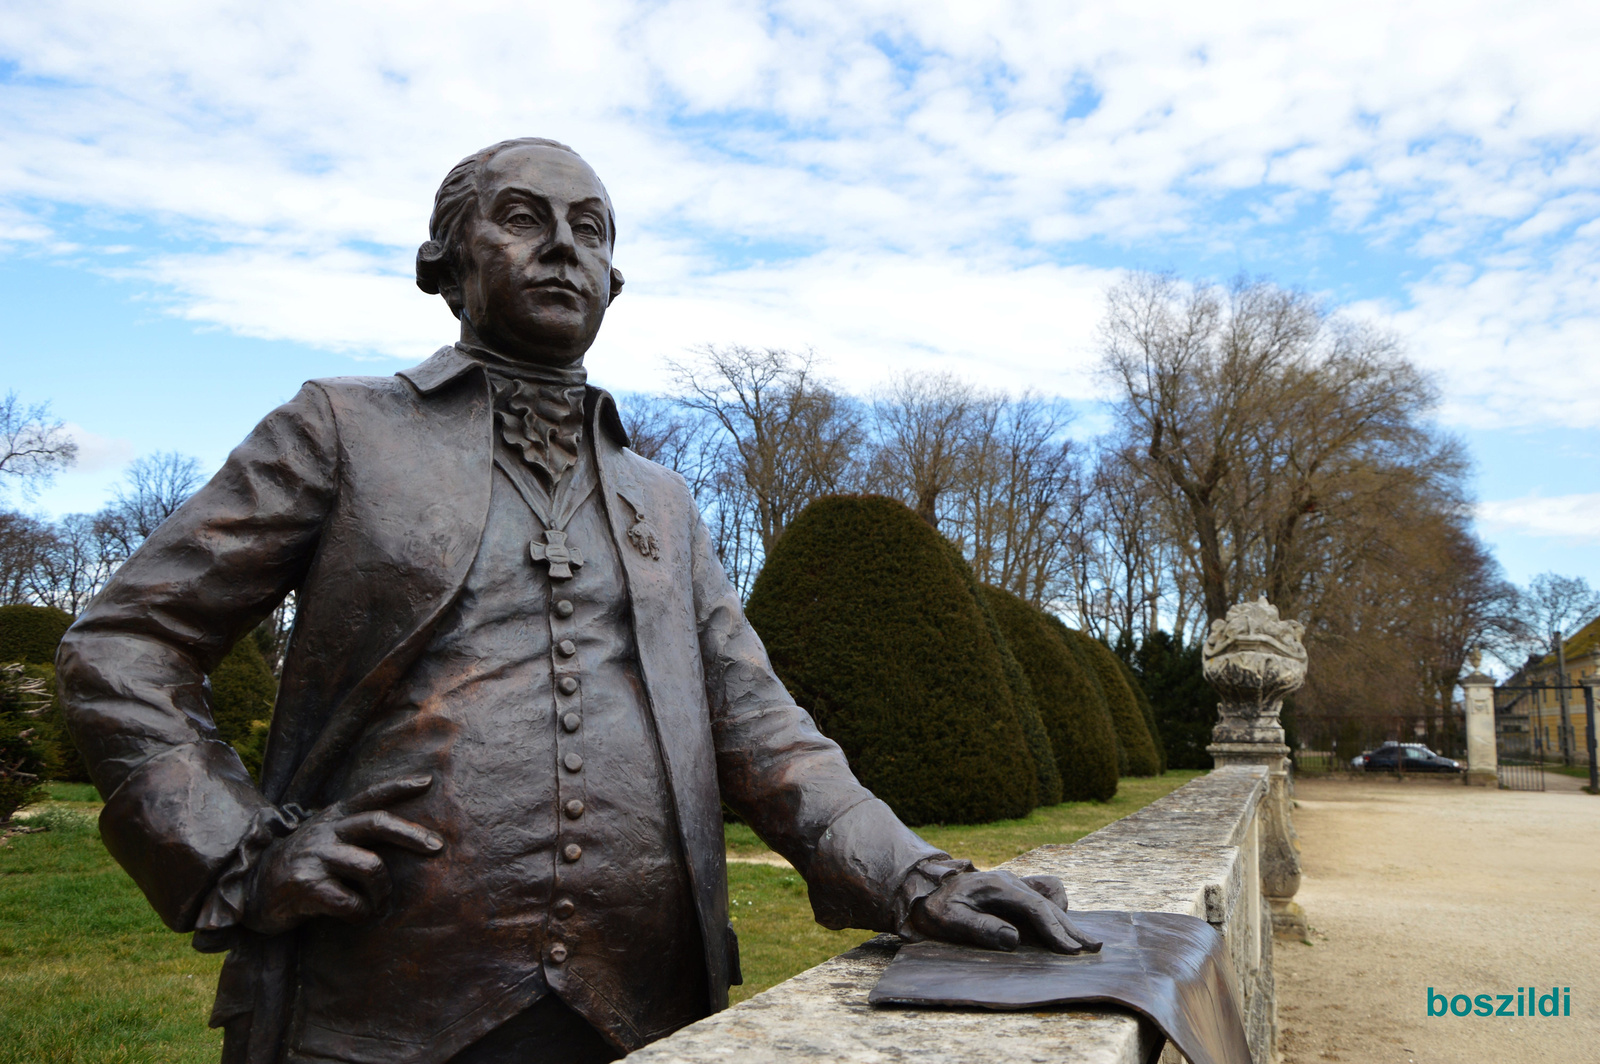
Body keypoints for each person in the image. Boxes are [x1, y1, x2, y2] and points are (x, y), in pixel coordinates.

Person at [59, 137, 1098, 1064]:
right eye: (521, 218)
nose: (562, 246)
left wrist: (918, 878)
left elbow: (765, 732)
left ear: (613, 276)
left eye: (589, 229)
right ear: (445, 262)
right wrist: (236, 848)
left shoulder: (665, 502)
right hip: (376, 997)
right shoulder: (341, 429)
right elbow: (125, 643)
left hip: (643, 998)